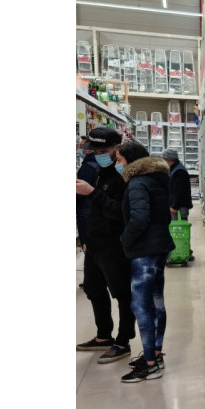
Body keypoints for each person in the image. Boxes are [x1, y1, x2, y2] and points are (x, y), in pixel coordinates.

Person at [75, 127, 136, 363]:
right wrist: (86, 239)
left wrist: (92, 192)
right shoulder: (100, 171)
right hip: (95, 243)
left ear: (117, 148)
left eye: (103, 151)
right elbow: (94, 211)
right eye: (95, 151)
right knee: (93, 288)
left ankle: (123, 340)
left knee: (122, 293)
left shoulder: (124, 175)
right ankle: (103, 335)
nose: (98, 155)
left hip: (114, 244)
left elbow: (121, 213)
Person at [116, 141, 175, 382]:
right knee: (156, 301)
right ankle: (156, 354)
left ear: (130, 161)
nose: (118, 164)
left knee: (140, 305)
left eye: (119, 160)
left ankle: (150, 364)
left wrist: (125, 239)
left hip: (145, 250)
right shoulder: (157, 178)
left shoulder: (137, 182)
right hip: (160, 246)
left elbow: (139, 218)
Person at [76, 139, 99, 252]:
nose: (79, 148)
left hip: (85, 210)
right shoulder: (96, 163)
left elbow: (80, 191)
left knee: (87, 245)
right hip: (92, 208)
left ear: (89, 150)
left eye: (81, 146)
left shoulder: (88, 167)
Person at [163, 147, 193, 220]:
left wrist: (174, 206)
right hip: (178, 206)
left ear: (169, 159)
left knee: (178, 225)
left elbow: (179, 191)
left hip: (179, 207)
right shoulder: (174, 169)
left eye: (164, 159)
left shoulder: (179, 172)